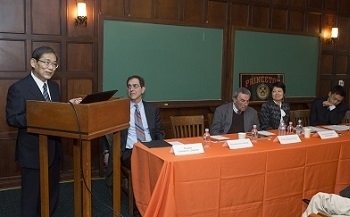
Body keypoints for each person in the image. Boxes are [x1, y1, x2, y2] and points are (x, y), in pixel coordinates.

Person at [5, 46, 81, 217]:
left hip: (54, 150)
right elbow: (12, 118)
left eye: (54, 64)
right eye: (46, 62)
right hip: (32, 152)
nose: (50, 68)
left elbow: (54, 114)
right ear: (33, 62)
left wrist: (67, 108)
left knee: (51, 193)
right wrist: (41, 115)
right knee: (31, 198)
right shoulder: (18, 88)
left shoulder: (54, 87)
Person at [104, 74, 165, 178]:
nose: (131, 89)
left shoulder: (152, 109)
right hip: (130, 151)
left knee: (165, 164)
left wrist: (161, 150)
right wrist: (106, 151)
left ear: (143, 89)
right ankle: (142, 193)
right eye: (129, 86)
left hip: (151, 149)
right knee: (143, 164)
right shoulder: (121, 110)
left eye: (135, 86)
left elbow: (159, 132)